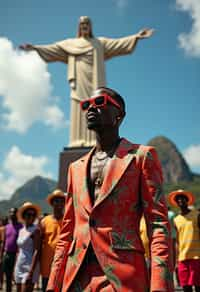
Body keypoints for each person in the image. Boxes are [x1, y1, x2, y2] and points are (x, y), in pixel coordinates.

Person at [47, 87, 173, 291]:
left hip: (122, 276)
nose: (90, 108)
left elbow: (158, 224)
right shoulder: (75, 168)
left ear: (119, 116)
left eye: (100, 103)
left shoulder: (141, 157)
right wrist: (53, 284)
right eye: (86, 105)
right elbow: (67, 231)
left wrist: (159, 285)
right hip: (76, 276)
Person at [19, 16, 154, 148]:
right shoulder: (70, 44)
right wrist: (36, 48)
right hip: (79, 81)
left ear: (90, 27)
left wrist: (136, 37)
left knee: (97, 106)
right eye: (82, 24)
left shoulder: (99, 43)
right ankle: (77, 140)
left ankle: (93, 139)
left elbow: (118, 43)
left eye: (87, 24)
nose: (84, 26)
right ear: (79, 27)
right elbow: (53, 49)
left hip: (95, 79)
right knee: (80, 106)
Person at [168, 189, 200, 292]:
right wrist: (176, 259)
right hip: (182, 258)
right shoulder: (176, 220)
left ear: (187, 201)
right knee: (186, 287)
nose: (180, 200)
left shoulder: (197, 215)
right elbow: (177, 240)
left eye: (183, 198)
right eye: (178, 199)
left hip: (197, 256)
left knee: (198, 286)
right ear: (176, 203)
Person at [40, 189, 65, 292]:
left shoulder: (68, 220)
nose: (59, 203)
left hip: (62, 266)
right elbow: (39, 245)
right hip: (46, 267)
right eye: (56, 200)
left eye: (61, 201)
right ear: (52, 203)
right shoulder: (44, 221)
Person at [14, 202, 41, 292]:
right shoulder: (21, 230)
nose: (31, 217)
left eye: (33, 215)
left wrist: (31, 271)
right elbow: (19, 250)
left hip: (29, 268)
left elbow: (37, 251)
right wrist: (15, 266)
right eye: (28, 214)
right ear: (24, 215)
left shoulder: (36, 230)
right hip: (19, 266)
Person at [0, 208, 22, 292]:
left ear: (17, 214)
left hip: (16, 255)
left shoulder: (21, 227)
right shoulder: (6, 227)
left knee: (16, 278)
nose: (12, 214)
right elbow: (3, 242)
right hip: (7, 255)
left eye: (14, 212)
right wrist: (1, 256)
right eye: (11, 212)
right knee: (7, 277)